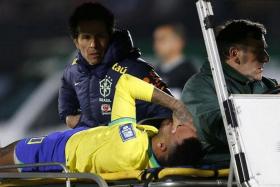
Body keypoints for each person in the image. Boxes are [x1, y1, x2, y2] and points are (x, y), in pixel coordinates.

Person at [0, 74, 202, 173]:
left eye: (179, 129)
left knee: (8, 157)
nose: (182, 124)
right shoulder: (153, 154)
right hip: (80, 142)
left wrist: (177, 105)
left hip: (60, 155)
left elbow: (125, 84)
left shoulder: (130, 148)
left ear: (162, 146)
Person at [59, 2, 172, 129]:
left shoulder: (136, 70)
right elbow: (67, 112)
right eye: (86, 37)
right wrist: (85, 126)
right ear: (76, 42)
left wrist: (133, 135)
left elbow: (168, 114)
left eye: (100, 36)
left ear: (110, 36)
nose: (93, 45)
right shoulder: (73, 71)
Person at [181, 19, 278, 165]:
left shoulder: (269, 85)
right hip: (222, 173)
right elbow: (224, 130)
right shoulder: (199, 87)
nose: (266, 58)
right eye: (258, 52)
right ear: (234, 53)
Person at [153, 23, 197, 98]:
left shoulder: (189, 74)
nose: (156, 44)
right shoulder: (154, 72)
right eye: (155, 40)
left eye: (162, 39)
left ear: (178, 43)